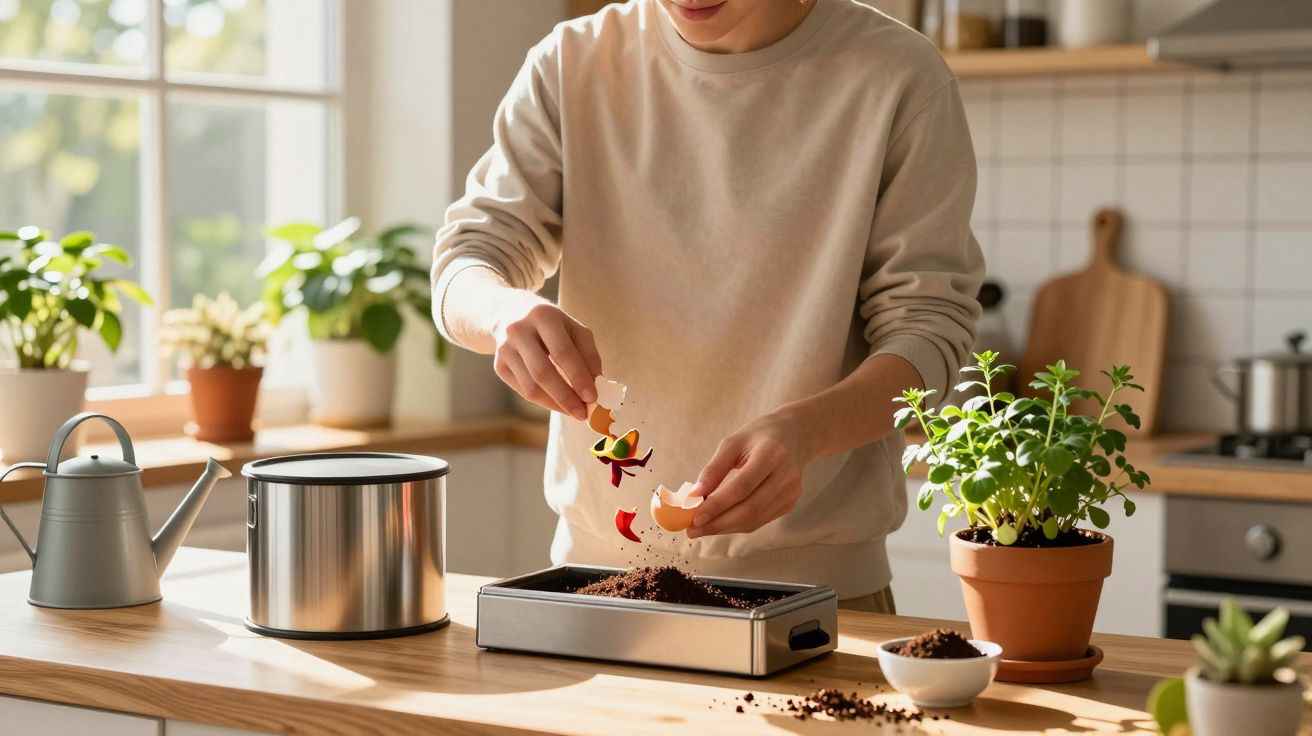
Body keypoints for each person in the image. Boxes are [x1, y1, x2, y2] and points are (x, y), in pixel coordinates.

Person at [432, 0, 984, 612]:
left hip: (818, 598)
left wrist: (807, 432)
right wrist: (502, 313)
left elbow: (928, 330)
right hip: (594, 585)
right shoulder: (571, 63)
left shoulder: (898, 75)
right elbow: (468, 260)